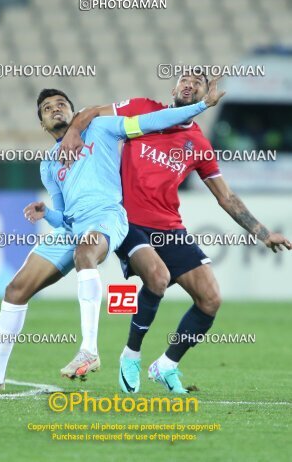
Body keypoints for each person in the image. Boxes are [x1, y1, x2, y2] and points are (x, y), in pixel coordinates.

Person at [0, 85, 221, 391]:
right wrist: (48, 214)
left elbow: (153, 121)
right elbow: (66, 217)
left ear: (73, 111)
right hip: (73, 228)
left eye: (61, 104)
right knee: (15, 289)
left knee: (88, 254)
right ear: (42, 123)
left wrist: (202, 106)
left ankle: (89, 350)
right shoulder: (49, 165)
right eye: (47, 108)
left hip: (108, 216)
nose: (56, 108)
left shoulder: (101, 128)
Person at [59, 73, 291, 394]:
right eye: (185, 79)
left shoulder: (198, 144)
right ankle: (131, 355)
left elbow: (226, 196)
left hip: (169, 227)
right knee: (158, 277)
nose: (190, 84)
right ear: (173, 88)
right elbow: (93, 112)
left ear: (203, 96)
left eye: (198, 82)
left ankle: (166, 364)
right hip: (127, 221)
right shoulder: (141, 109)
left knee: (210, 299)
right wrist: (73, 131)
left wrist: (263, 233)